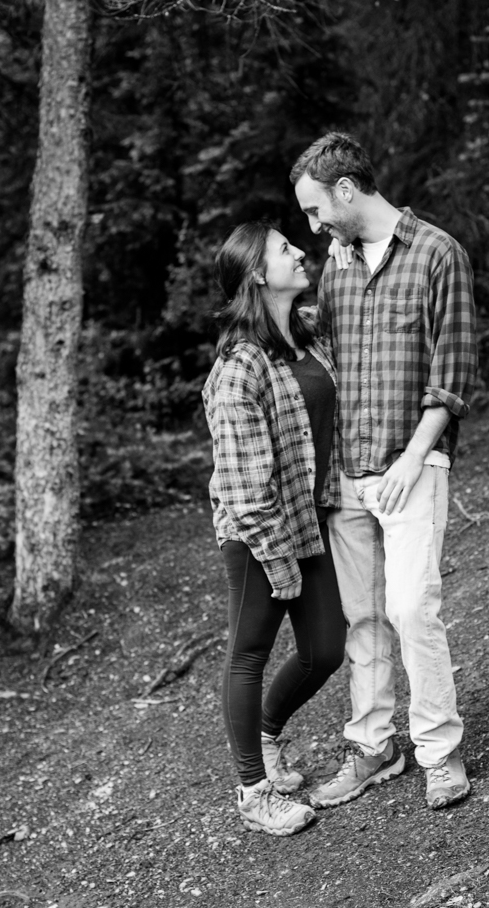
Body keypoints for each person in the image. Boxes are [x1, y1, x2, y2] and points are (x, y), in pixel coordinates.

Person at [290, 132, 478, 811]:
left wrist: (411, 456)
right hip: (349, 471)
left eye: (316, 210)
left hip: (412, 463)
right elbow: (329, 349)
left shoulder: (437, 253)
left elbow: (453, 376)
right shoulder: (336, 263)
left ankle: (439, 750)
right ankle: (374, 746)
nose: (314, 226)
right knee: (362, 616)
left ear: (345, 190)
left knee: (411, 606)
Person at [202, 221, 347, 836]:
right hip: (256, 534)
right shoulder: (239, 369)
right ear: (259, 274)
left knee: (323, 650)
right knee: (248, 653)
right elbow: (243, 489)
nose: (299, 251)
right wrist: (277, 559)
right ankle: (253, 792)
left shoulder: (308, 337)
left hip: (307, 519)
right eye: (285, 248)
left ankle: (264, 734)